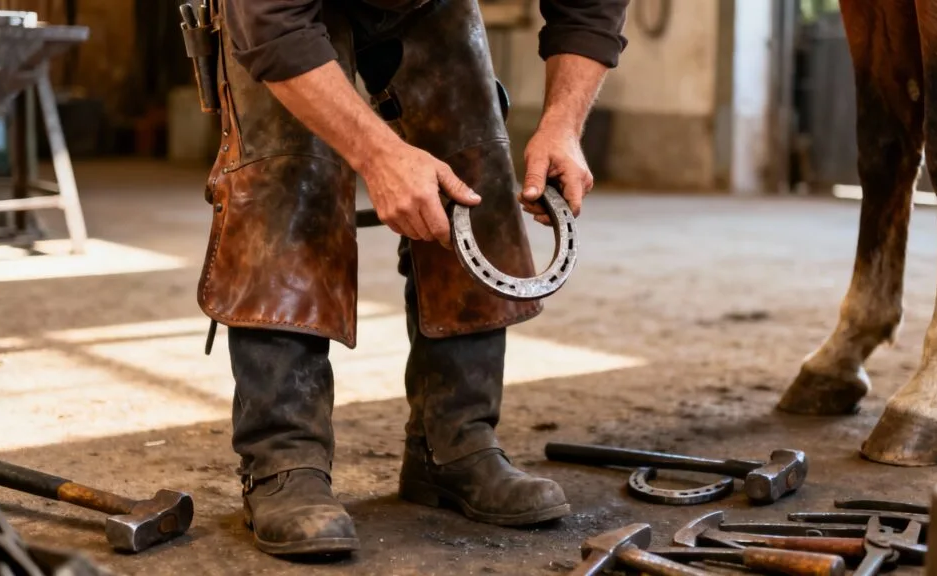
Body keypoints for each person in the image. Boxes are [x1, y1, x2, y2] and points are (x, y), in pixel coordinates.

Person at [197, 0, 628, 557]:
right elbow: (271, 24)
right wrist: (379, 156)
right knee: (289, 172)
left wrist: (562, 127)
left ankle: (452, 445)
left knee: (476, 155)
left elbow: (590, 7)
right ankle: (284, 458)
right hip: (281, 12)